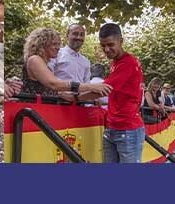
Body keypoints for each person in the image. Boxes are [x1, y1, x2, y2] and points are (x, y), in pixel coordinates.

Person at [19, 27, 111, 101]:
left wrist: (62, 94)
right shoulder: (35, 59)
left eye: (59, 44)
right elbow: (53, 84)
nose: (58, 48)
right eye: (54, 44)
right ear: (42, 44)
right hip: (31, 109)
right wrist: (91, 87)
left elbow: (49, 88)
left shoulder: (44, 63)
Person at [99, 22, 145, 163]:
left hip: (127, 129)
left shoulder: (128, 63)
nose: (106, 49)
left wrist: (75, 94)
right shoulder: (115, 63)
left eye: (110, 45)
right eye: (103, 46)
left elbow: (102, 89)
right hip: (113, 127)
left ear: (121, 41)